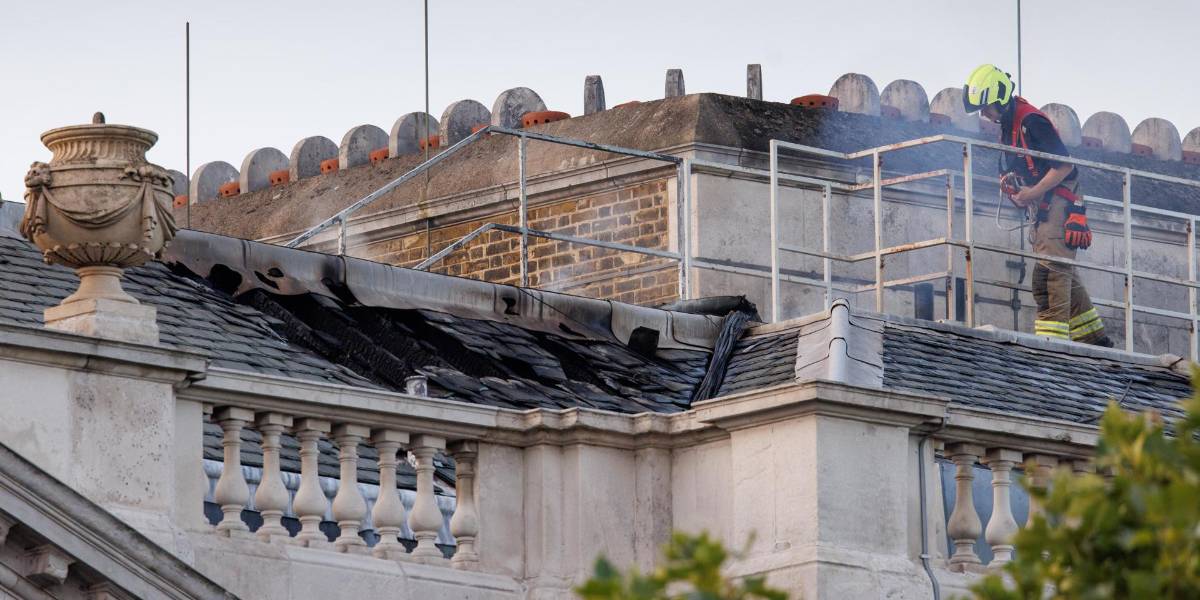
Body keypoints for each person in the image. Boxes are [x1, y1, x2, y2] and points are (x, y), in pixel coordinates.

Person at [962, 64, 1112, 347]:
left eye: (986, 108)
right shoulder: (1009, 126)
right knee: (1061, 268)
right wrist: (1013, 186)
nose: (984, 115)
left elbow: (1064, 165)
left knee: (1048, 275)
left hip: (1058, 204)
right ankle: (1094, 339)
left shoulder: (1032, 121)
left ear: (1000, 98)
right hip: (1044, 205)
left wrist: (1031, 193)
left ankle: (1051, 344)